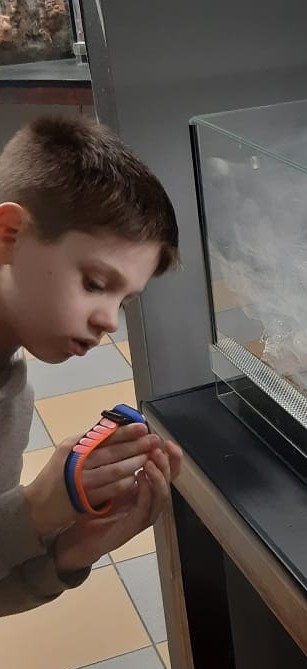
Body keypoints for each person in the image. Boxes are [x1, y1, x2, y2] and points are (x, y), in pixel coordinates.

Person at [0, 115, 183, 616]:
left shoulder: (12, 390)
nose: (109, 322)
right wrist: (35, 508)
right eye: (96, 283)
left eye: (124, 301)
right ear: (9, 235)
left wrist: (70, 551)